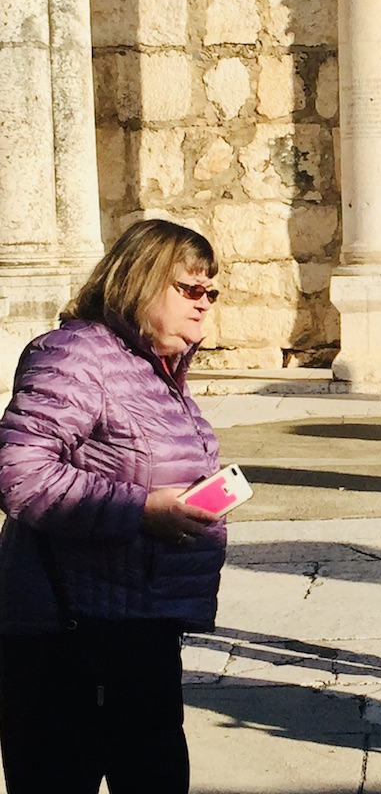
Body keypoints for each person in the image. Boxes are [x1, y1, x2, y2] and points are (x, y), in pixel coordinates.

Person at [0, 219, 228, 794]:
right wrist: (142, 510)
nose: (204, 304)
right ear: (140, 281)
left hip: (139, 631)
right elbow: (19, 473)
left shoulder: (155, 368)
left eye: (211, 291)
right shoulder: (77, 354)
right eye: (189, 288)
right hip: (71, 641)